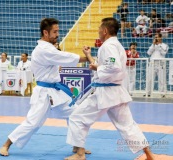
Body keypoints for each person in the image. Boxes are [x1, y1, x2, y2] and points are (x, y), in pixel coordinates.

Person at [64, 17, 155, 160]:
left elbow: (113, 67)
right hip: (116, 92)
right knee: (128, 126)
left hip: (105, 93)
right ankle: (149, 154)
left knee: (77, 117)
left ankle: (80, 154)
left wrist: (97, 67)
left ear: (105, 30)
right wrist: (89, 56)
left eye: (100, 29)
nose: (98, 32)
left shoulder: (108, 46)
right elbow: (106, 66)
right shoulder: (115, 45)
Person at [0, 18, 90, 157]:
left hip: (56, 91)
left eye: (58, 31)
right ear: (45, 33)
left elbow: (60, 57)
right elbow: (64, 56)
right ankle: (6, 145)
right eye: (55, 32)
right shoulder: (43, 50)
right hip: (43, 92)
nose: (57, 34)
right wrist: (87, 57)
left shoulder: (48, 47)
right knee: (33, 122)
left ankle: (77, 146)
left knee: (75, 114)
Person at [147, 33, 169, 97]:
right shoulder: (153, 45)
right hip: (152, 63)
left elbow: (163, 53)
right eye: (155, 37)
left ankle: (162, 93)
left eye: (157, 37)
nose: (156, 39)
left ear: (160, 37)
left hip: (161, 64)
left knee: (162, 79)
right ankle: (148, 92)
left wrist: (159, 46)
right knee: (150, 79)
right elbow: (148, 53)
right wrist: (153, 45)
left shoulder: (165, 45)